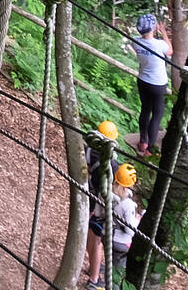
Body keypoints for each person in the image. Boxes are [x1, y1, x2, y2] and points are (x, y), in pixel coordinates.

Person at [129, 12, 171, 156]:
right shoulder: (159, 44)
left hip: (143, 81)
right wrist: (163, 32)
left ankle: (143, 141)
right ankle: (149, 148)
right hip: (158, 83)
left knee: (145, 110)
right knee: (158, 113)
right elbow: (170, 51)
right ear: (153, 28)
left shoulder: (134, 41)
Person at [84, 120, 119, 287]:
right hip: (98, 208)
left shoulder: (89, 150)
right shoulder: (110, 164)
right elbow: (104, 188)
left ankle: (93, 269)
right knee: (96, 241)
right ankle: (94, 278)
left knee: (91, 237)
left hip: (89, 200)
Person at [108, 164, 140, 278]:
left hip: (108, 234)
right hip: (121, 242)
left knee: (111, 267)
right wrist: (137, 220)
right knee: (117, 274)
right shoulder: (128, 204)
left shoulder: (107, 192)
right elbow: (130, 230)